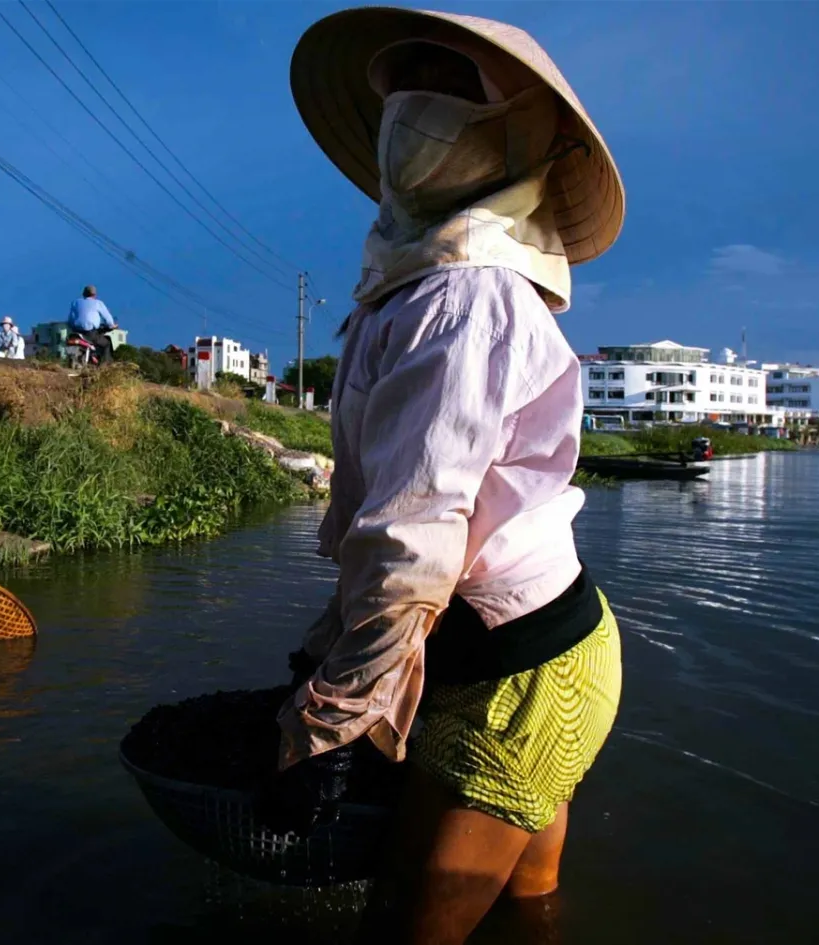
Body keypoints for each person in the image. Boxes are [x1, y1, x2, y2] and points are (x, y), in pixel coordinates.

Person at [267, 10, 627, 944]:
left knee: (408, 927)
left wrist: (333, 715)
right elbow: (375, 513)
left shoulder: (467, 297)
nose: (416, 108)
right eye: (408, 81)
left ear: (521, 135)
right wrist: (329, 648)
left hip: (520, 672)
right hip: (534, 651)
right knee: (526, 906)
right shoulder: (415, 288)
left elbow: (414, 534)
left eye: (450, 82)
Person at [66, 285, 116, 365]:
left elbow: (70, 318)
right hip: (90, 333)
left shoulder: (75, 302)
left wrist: (73, 326)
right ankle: (103, 367)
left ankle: (91, 356)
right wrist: (112, 325)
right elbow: (108, 317)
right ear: (95, 295)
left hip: (76, 332)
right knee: (106, 344)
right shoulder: (98, 303)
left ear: (83, 294)